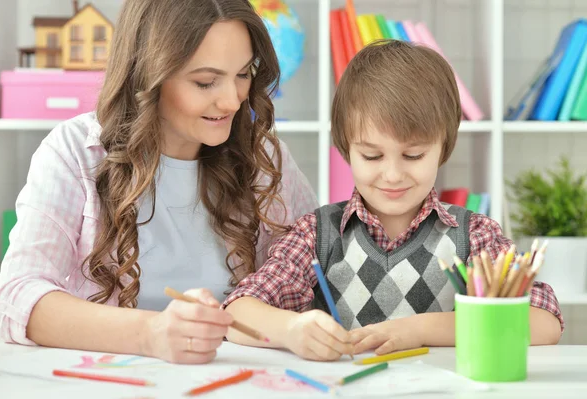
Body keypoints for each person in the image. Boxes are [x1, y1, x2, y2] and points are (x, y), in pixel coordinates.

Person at [0, 0, 318, 365]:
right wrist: (151, 334)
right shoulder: (75, 152)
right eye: (205, 81)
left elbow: (317, 264)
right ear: (148, 75)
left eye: (243, 74)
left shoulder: (265, 160)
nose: (232, 100)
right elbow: (17, 297)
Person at [222, 40, 564, 361]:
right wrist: (291, 329)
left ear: (442, 148)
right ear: (346, 149)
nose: (393, 175)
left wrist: (418, 329)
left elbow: (544, 321)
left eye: (413, 155)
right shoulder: (316, 234)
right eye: (372, 156)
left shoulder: (474, 236)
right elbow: (237, 311)